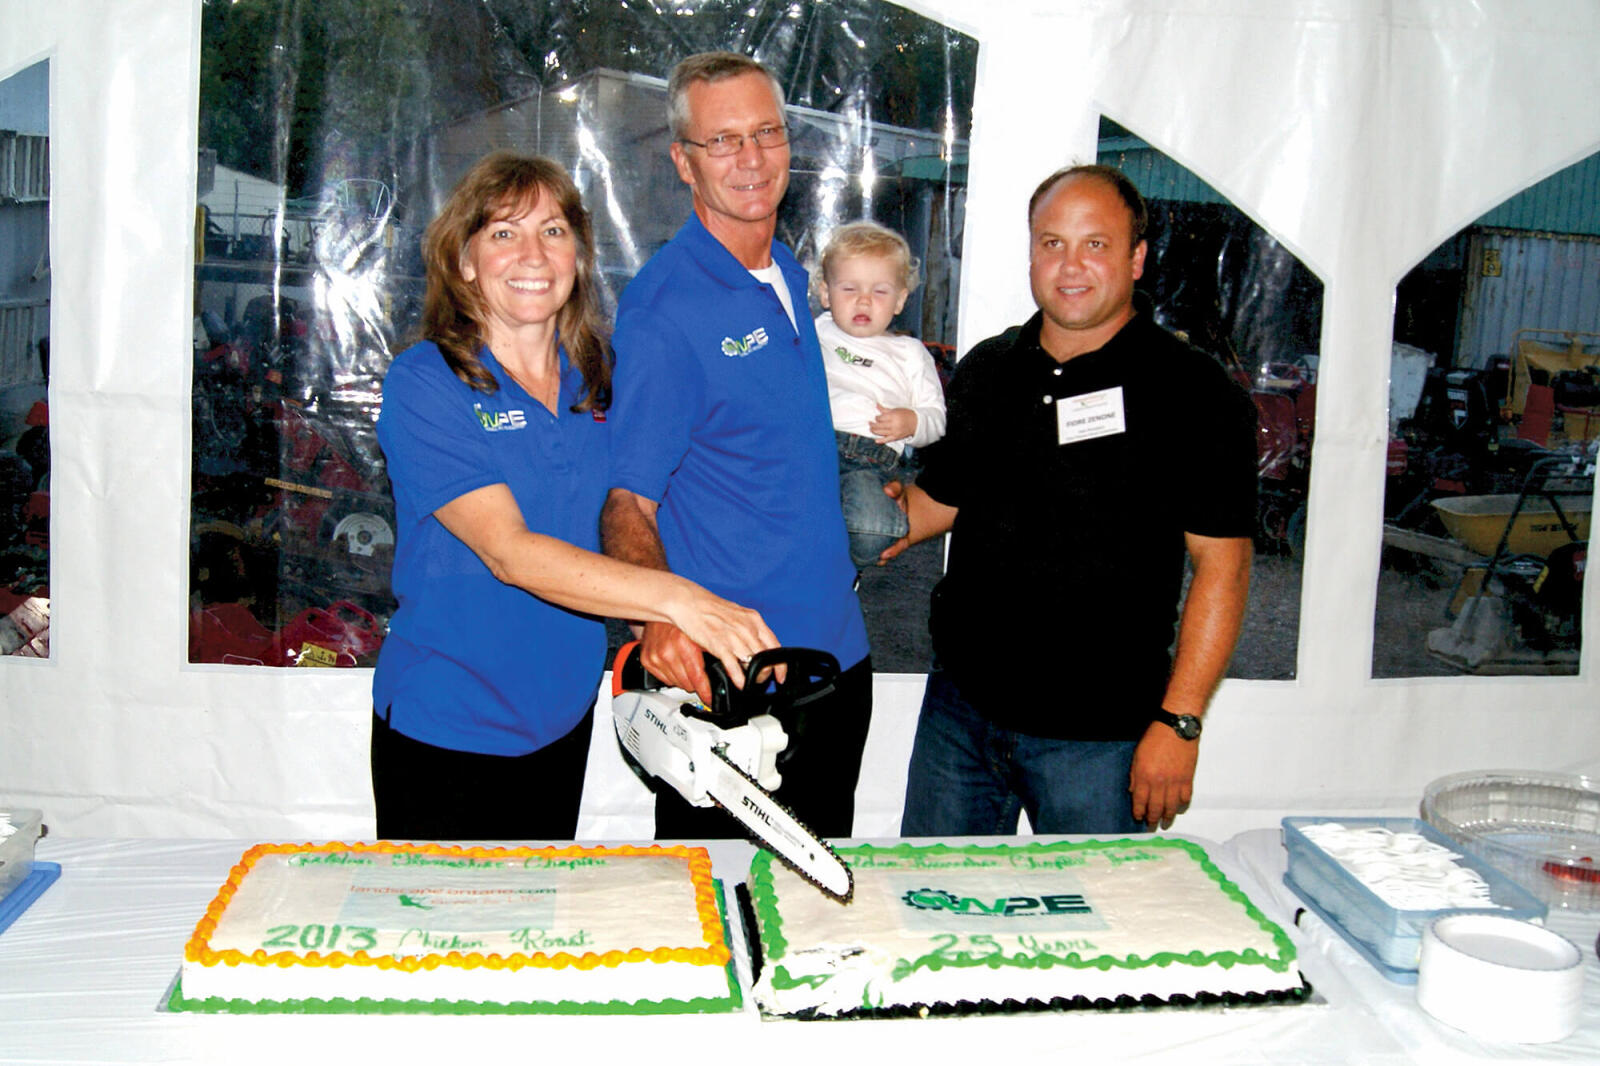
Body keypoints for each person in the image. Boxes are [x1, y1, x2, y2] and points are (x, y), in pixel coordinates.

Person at [372, 152, 778, 842]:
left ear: (579, 255)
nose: (532, 254)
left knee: (535, 937)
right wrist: (681, 601)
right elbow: (511, 553)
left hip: (561, 718)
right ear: (464, 260)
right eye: (503, 233)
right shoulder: (425, 382)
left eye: (553, 231)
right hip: (448, 725)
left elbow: (635, 511)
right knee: (448, 945)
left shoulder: (598, 380)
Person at [888, 164, 1257, 836]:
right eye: (1052, 243)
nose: (1071, 265)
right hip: (961, 716)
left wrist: (1179, 723)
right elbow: (938, 504)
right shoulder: (988, 369)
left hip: (1102, 740)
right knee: (931, 918)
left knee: (1099, 936)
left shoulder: (1195, 392)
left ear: (1137, 257)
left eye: (1096, 244)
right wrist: (842, 508)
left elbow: (1223, 568)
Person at [602, 53, 872, 840]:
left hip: (835, 663)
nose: (751, 159)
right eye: (722, 142)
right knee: (729, 929)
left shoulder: (787, 269)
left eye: (766, 133)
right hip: (740, 690)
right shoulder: (664, 308)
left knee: (819, 931)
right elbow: (627, 502)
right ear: (684, 161)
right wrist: (657, 618)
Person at [813, 221, 946, 568]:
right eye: (849, 289)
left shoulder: (910, 353)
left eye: (880, 292)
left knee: (874, 528)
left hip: (868, 461)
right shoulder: (817, 332)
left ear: (901, 299)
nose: (863, 300)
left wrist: (912, 421)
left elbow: (936, 417)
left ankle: (836, 571)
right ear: (826, 293)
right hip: (810, 448)